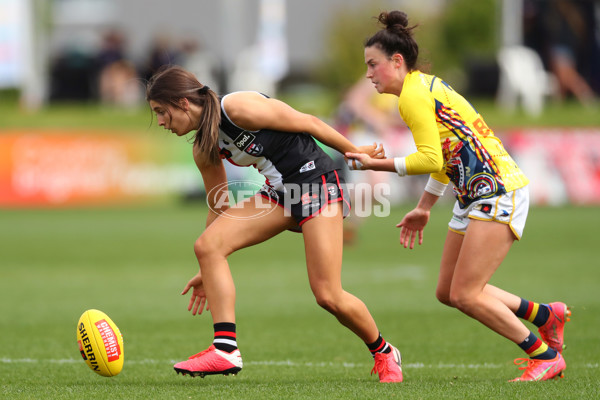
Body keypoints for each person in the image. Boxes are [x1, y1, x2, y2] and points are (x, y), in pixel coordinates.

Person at [345, 11, 570, 382]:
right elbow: (445, 158)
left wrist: (376, 163)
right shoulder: (422, 87)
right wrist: (423, 207)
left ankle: (544, 356)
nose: (369, 74)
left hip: (497, 190)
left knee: (467, 294)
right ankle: (546, 316)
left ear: (397, 62)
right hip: (476, 193)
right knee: (449, 291)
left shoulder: (412, 98)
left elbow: (430, 158)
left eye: (373, 65)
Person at [145, 65, 403, 383]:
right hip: (279, 193)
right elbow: (218, 202)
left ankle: (385, 352)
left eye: (161, 111)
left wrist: (354, 152)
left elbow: (307, 122)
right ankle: (225, 351)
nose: (159, 121)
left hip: (315, 181)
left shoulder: (237, 108)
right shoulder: (203, 147)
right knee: (206, 244)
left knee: (328, 295)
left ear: (184, 103)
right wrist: (208, 264)